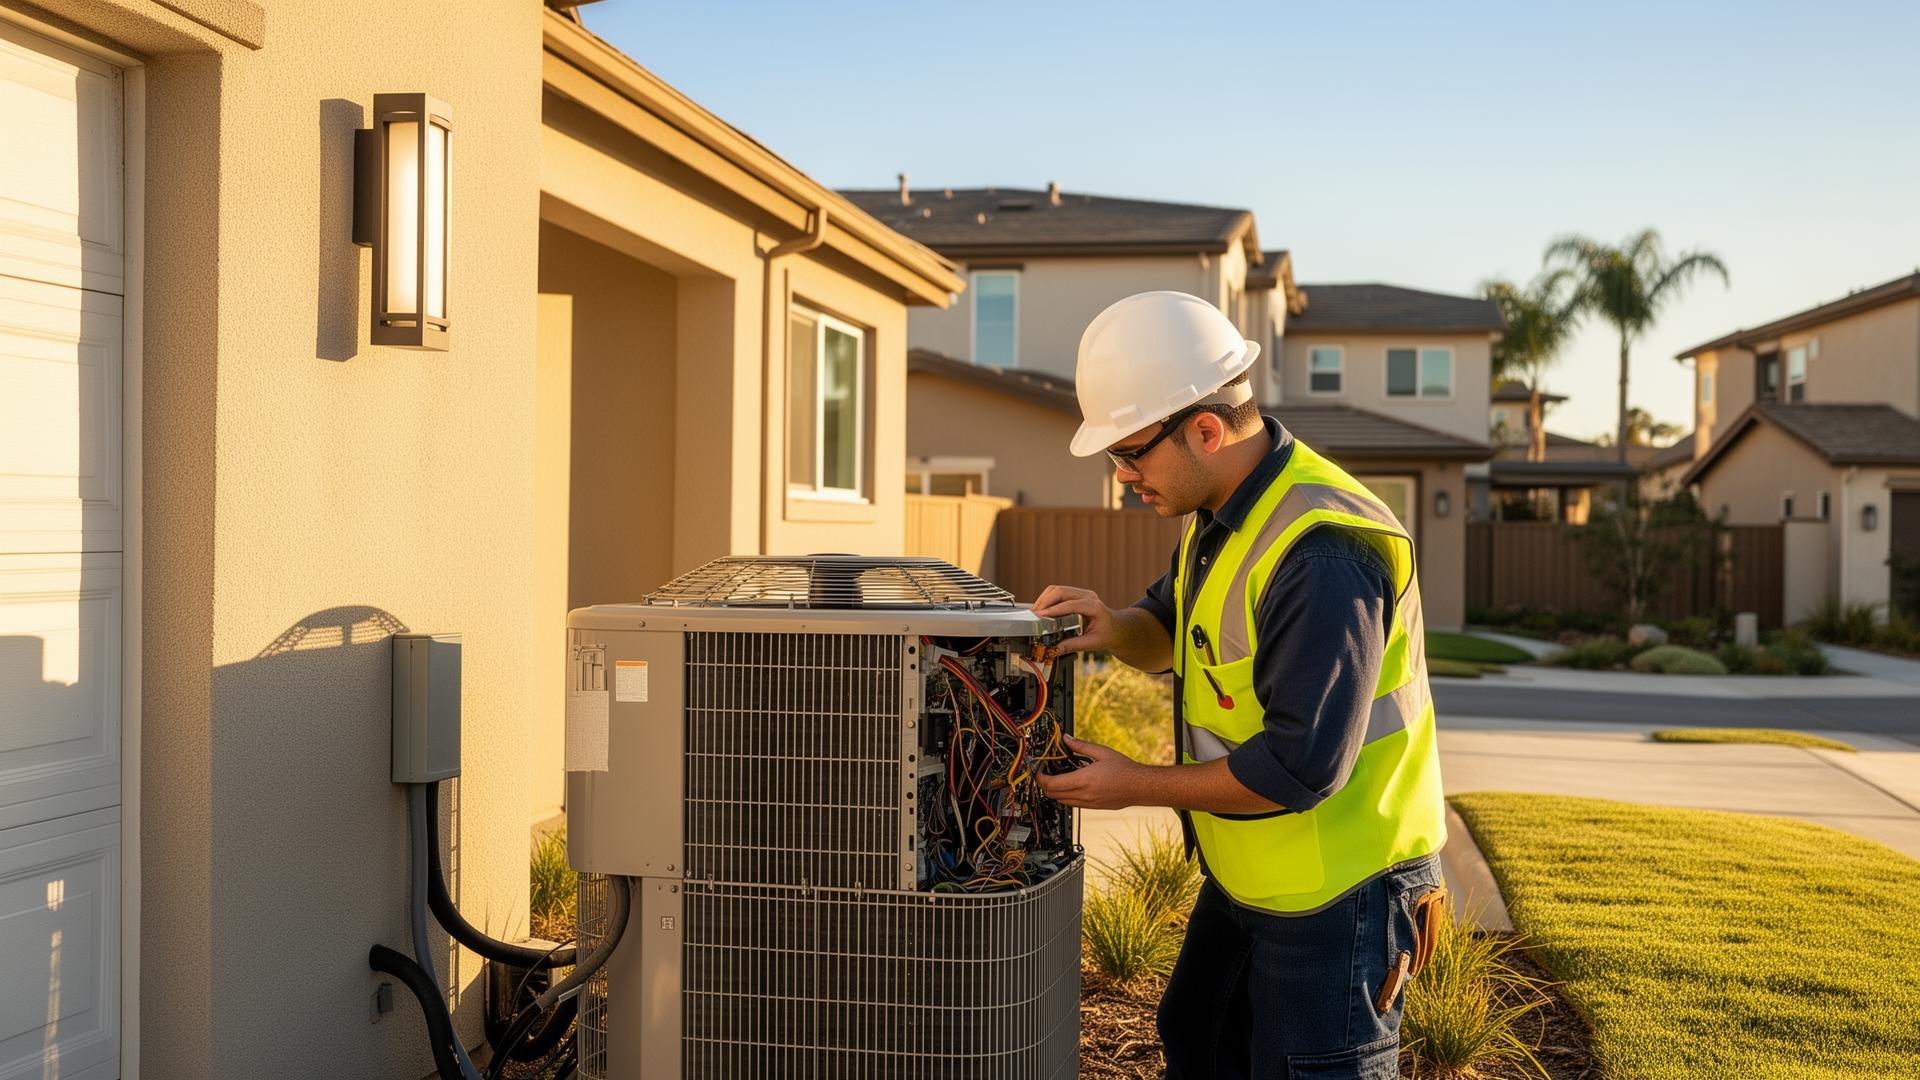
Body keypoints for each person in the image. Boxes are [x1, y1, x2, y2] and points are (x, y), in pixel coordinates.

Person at [1033, 290, 1449, 1079]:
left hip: (1344, 898)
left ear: (1206, 428)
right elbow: (1170, 624)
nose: (1122, 477)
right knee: (1197, 1033)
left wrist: (1133, 784)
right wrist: (1113, 627)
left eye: (1130, 453)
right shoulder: (1220, 510)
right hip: (1256, 877)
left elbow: (1299, 767)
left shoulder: (1322, 552)